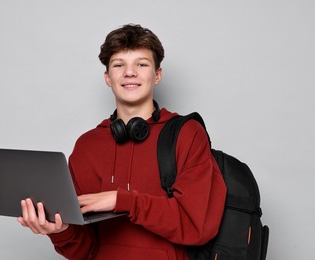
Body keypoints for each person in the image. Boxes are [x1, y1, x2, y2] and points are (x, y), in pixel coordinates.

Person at [17, 24, 227, 260]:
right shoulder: (87, 146)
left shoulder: (187, 134)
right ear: (108, 77)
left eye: (142, 64)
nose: (130, 73)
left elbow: (196, 226)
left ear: (157, 75)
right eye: (119, 65)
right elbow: (87, 251)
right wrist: (61, 231)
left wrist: (122, 200)